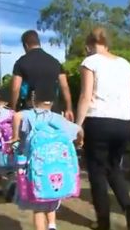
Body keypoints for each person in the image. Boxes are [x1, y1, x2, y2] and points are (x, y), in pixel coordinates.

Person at [75, 27, 130, 230]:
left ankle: (103, 222)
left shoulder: (90, 62)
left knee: (96, 172)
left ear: (89, 45)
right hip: (123, 123)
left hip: (98, 121)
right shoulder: (126, 64)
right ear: (107, 44)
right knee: (114, 168)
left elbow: (86, 96)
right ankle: (129, 209)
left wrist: (77, 125)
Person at [11, 87, 84, 230]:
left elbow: (16, 116)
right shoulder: (59, 119)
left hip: (36, 172)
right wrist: (80, 141)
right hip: (56, 171)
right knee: (51, 200)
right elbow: (79, 129)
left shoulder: (30, 115)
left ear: (33, 100)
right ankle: (52, 225)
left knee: (38, 208)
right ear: (52, 102)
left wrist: (15, 136)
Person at [10, 30, 74, 121]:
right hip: (53, 111)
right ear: (39, 42)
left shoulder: (21, 63)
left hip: (31, 112)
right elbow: (64, 86)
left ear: (26, 45)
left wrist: (13, 109)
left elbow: (15, 88)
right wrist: (69, 109)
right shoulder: (55, 62)